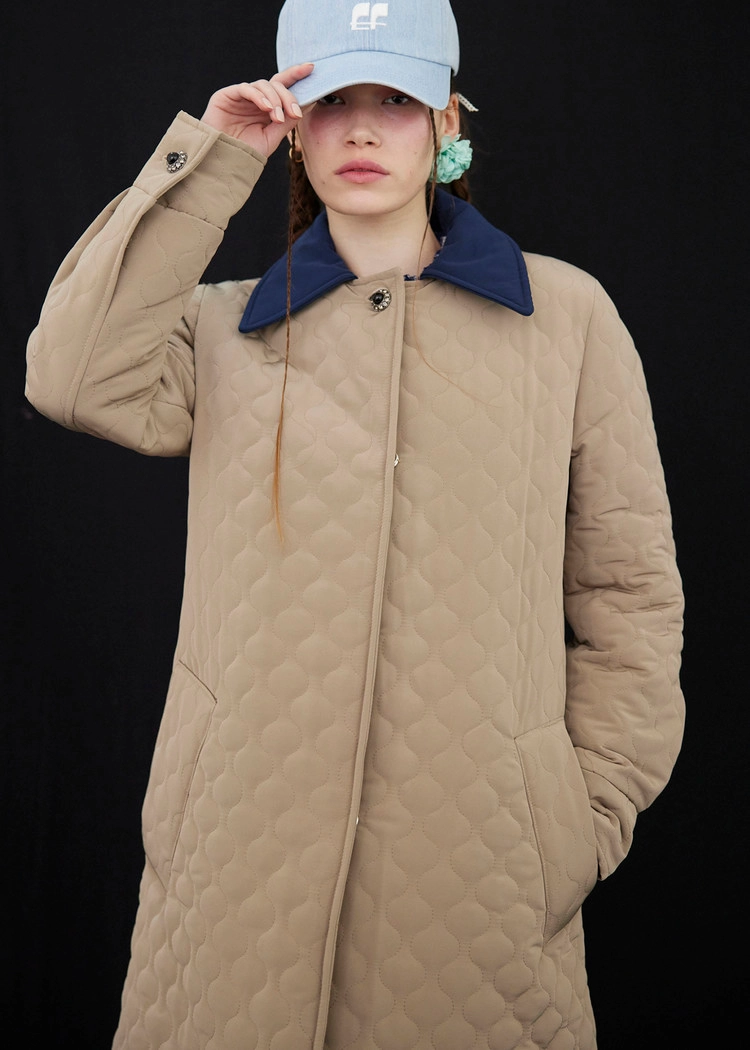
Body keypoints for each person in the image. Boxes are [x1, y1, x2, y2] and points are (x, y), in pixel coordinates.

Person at [25, 1, 685, 1047]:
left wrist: (573, 821)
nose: (365, 129)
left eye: (398, 100)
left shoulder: (566, 318)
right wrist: (216, 161)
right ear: (292, 124)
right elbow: (71, 377)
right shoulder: (224, 328)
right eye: (332, 102)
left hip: (477, 887)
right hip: (234, 875)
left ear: (448, 120)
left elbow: (629, 595)